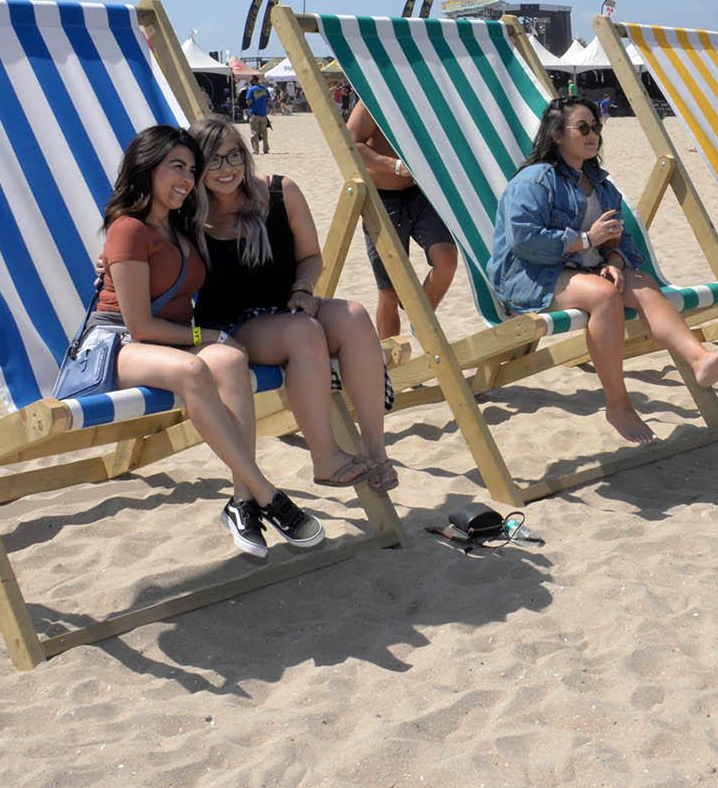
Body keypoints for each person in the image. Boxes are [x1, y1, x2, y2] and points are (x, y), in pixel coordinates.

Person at [96, 125, 326, 557]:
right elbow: (140, 326)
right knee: (198, 366)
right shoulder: (129, 229)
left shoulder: (183, 225)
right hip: (122, 344)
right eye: (176, 167)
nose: (186, 178)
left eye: (191, 169)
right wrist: (209, 334)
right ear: (147, 169)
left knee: (230, 361)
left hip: (174, 343)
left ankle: (240, 502)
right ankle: (265, 495)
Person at [489, 96, 718, 442]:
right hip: (528, 277)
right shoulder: (535, 180)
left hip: (577, 272)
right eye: (583, 127)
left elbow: (618, 239)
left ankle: (699, 360)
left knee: (641, 283)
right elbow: (524, 241)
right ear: (557, 135)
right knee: (605, 295)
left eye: (596, 126)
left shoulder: (601, 183)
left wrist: (615, 261)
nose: (592, 134)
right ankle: (618, 404)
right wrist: (584, 240)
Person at [189, 116, 399, 493]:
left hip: (287, 306)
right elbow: (142, 245)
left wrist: (303, 288)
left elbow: (311, 257)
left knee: (353, 315)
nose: (227, 169)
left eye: (233, 155)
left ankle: (375, 448)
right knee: (304, 332)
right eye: (213, 160)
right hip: (230, 327)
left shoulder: (279, 192)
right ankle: (325, 459)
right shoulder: (187, 214)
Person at [346, 102, 458, 342]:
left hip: (420, 194)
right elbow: (350, 143)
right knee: (390, 291)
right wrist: (394, 166)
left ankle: (421, 320)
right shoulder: (372, 99)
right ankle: (391, 367)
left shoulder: (422, 95)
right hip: (383, 200)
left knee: (446, 260)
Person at [243, 79, 273, 154]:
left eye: (250, 80)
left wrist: (250, 104)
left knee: (254, 133)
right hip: (263, 114)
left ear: (253, 81)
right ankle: (266, 149)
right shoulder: (265, 89)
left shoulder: (252, 89)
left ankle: (256, 150)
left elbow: (248, 101)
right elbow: (269, 100)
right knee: (264, 133)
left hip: (254, 114)